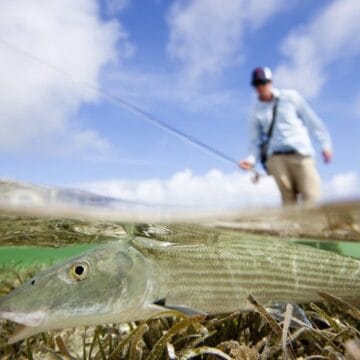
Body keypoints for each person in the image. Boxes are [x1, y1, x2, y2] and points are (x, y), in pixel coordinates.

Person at [239, 67, 332, 205]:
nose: (260, 87)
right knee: (288, 201)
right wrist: (251, 160)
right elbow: (255, 141)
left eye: (263, 82)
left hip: (301, 154)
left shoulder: (291, 97)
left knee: (311, 197)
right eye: (257, 84)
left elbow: (311, 120)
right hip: (275, 159)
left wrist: (325, 144)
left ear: (270, 82)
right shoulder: (255, 111)